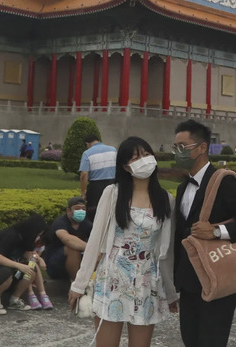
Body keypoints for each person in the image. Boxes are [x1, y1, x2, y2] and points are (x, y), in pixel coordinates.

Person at [68, 137, 176, 347]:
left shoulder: (165, 199)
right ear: (126, 166)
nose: (143, 161)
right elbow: (95, 241)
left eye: (146, 155)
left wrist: (170, 292)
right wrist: (79, 284)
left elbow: (166, 251)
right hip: (113, 279)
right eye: (135, 158)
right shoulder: (113, 194)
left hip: (146, 282)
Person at [172, 120, 236, 347]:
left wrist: (216, 231)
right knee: (190, 339)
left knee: (212, 341)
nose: (177, 152)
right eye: (175, 147)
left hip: (218, 277)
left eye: (183, 146)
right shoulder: (183, 187)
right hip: (188, 280)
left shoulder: (224, 181)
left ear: (202, 148)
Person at [0, 214, 46, 315]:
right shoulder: (10, 235)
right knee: (6, 272)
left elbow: (25, 253)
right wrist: (19, 266)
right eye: (37, 235)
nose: (38, 238)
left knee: (31, 270)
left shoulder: (24, 238)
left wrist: (38, 259)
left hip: (9, 270)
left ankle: (14, 300)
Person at [45, 196, 91, 282]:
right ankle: (76, 283)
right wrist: (91, 248)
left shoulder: (86, 224)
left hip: (78, 262)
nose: (81, 211)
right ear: (68, 211)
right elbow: (67, 239)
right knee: (72, 248)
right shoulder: (60, 223)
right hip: (56, 264)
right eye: (77, 209)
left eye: (83, 209)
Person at [80, 134, 117, 222]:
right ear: (99, 140)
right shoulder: (113, 150)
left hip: (96, 187)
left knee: (94, 212)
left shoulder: (87, 153)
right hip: (113, 183)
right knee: (112, 209)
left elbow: (84, 174)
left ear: (87, 144)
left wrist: (83, 193)